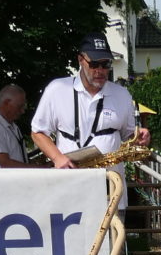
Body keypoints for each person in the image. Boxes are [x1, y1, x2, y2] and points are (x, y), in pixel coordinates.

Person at [30, 33, 147, 210]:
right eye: (94, 64)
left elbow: (130, 136)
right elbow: (38, 132)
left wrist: (139, 137)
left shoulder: (122, 95)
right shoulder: (57, 89)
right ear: (80, 60)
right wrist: (57, 158)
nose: (100, 70)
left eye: (105, 64)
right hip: (68, 189)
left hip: (110, 192)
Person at [0, 83, 30, 169]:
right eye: (19, 107)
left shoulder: (13, 127)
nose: (22, 111)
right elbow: (5, 163)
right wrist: (40, 168)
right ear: (7, 103)